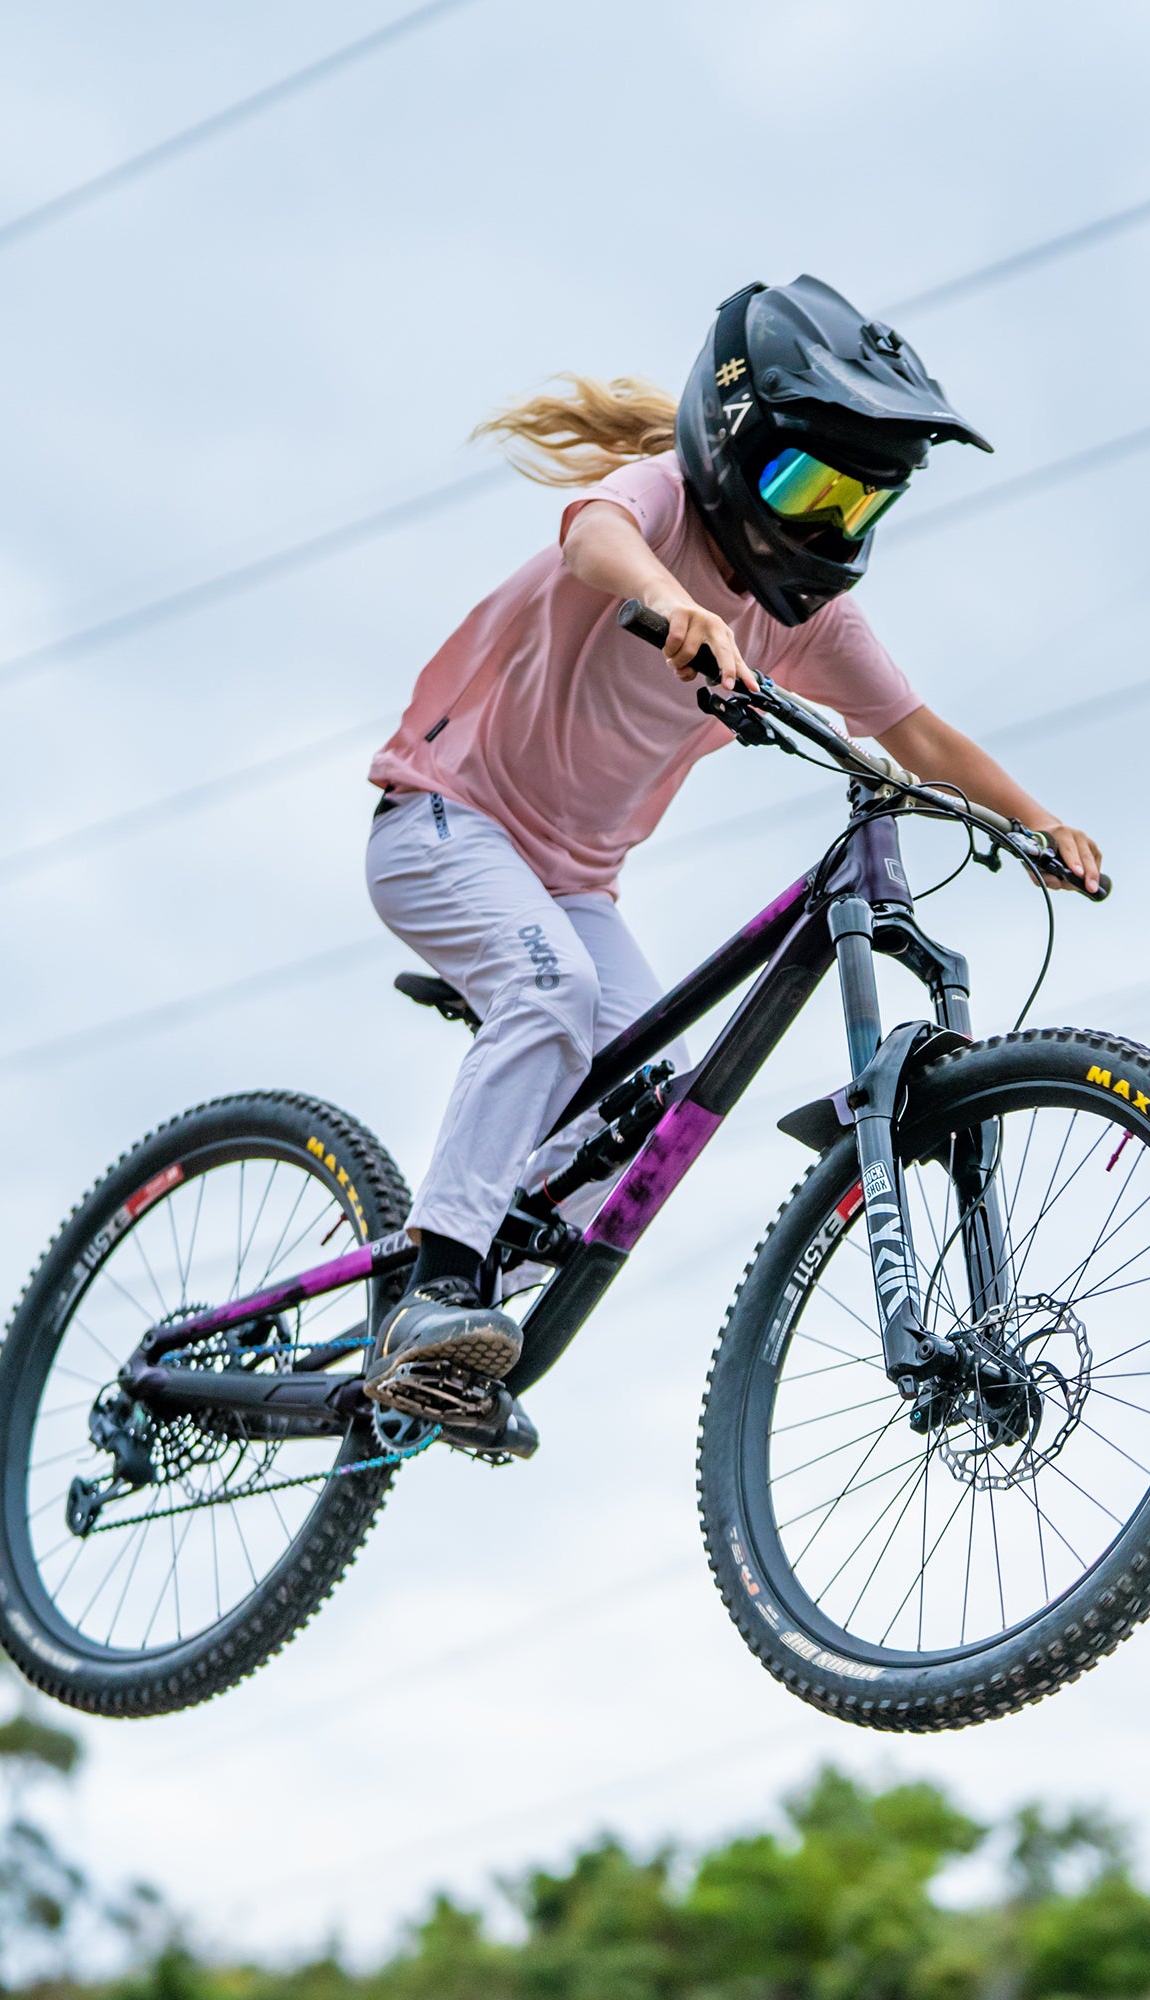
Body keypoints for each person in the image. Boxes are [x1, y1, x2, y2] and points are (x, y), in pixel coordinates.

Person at [363, 275, 1103, 1416]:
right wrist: (675, 605)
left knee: (642, 1105)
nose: (822, 527)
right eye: (805, 486)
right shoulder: (660, 503)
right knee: (549, 993)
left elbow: (910, 731)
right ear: (729, 445)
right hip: (442, 821)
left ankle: (455, 1336)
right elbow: (595, 531)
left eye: (856, 509)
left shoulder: (806, 616)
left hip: (568, 883)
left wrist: (1037, 819)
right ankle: (434, 1280)